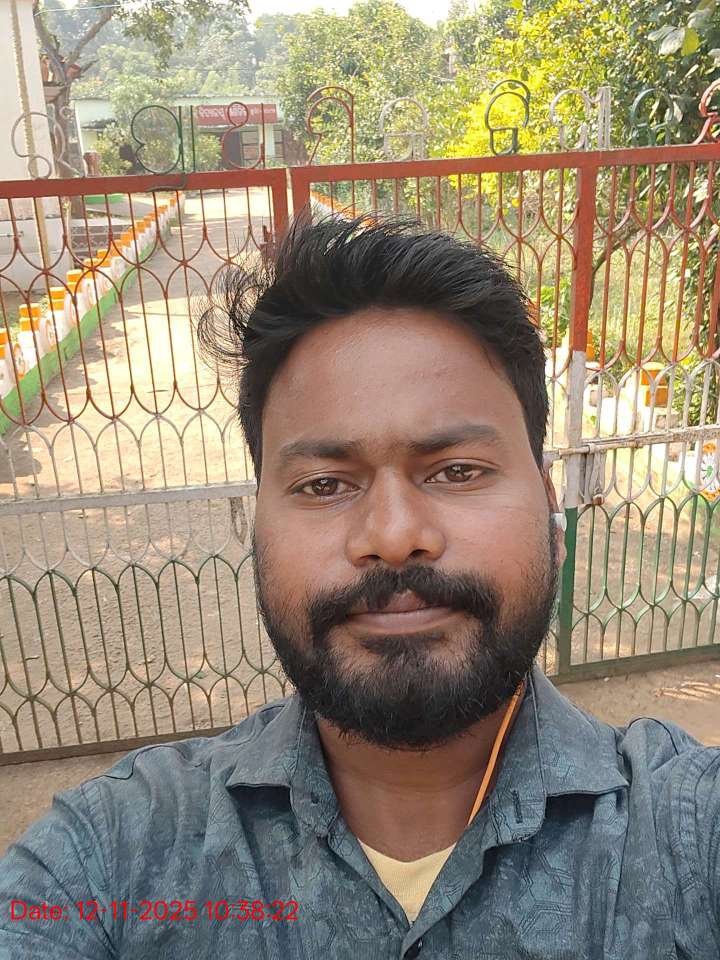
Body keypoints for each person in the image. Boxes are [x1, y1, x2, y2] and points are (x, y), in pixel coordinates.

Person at [0, 213, 718, 959]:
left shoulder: (687, 836)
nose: (393, 534)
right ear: (255, 526)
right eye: (323, 484)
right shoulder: (110, 858)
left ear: (548, 503)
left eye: (457, 471)